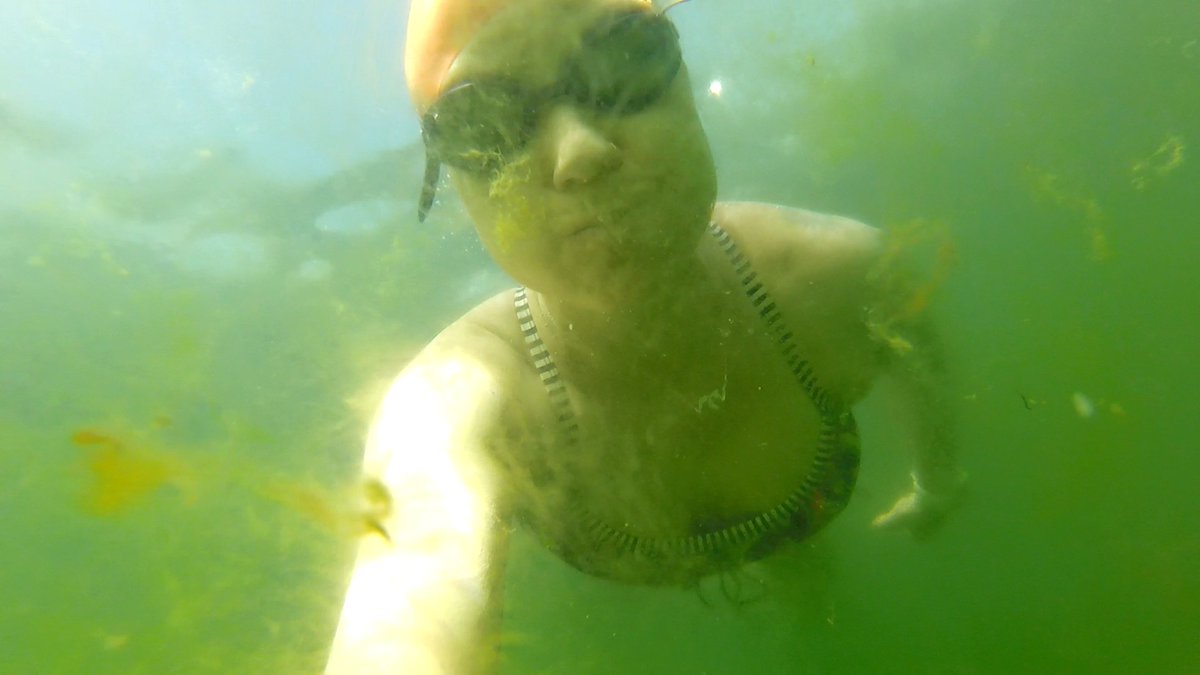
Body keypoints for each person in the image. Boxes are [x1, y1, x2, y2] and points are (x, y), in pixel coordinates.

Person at [325, 0, 966, 672]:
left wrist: (939, 482)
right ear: (452, 185)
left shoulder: (844, 276)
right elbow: (407, 600)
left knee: (818, 600)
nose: (581, 153)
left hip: (793, 517)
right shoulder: (456, 401)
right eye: (485, 122)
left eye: (625, 62)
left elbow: (927, 373)